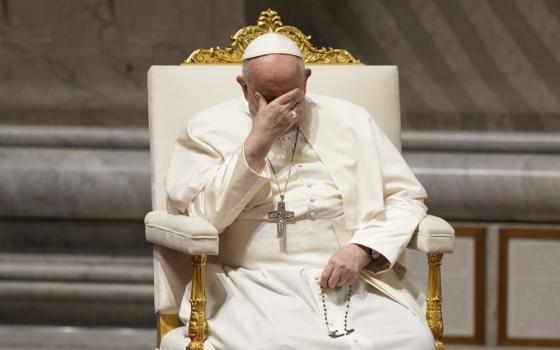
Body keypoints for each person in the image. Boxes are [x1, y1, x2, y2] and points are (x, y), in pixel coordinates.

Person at [163, 33, 435, 350]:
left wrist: (362, 249)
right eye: (267, 98)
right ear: (243, 86)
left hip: (349, 280)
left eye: (291, 97)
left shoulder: (352, 120)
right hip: (254, 283)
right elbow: (205, 217)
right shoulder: (205, 128)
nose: (283, 111)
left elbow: (405, 196)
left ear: (306, 80)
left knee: (414, 341)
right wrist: (256, 144)